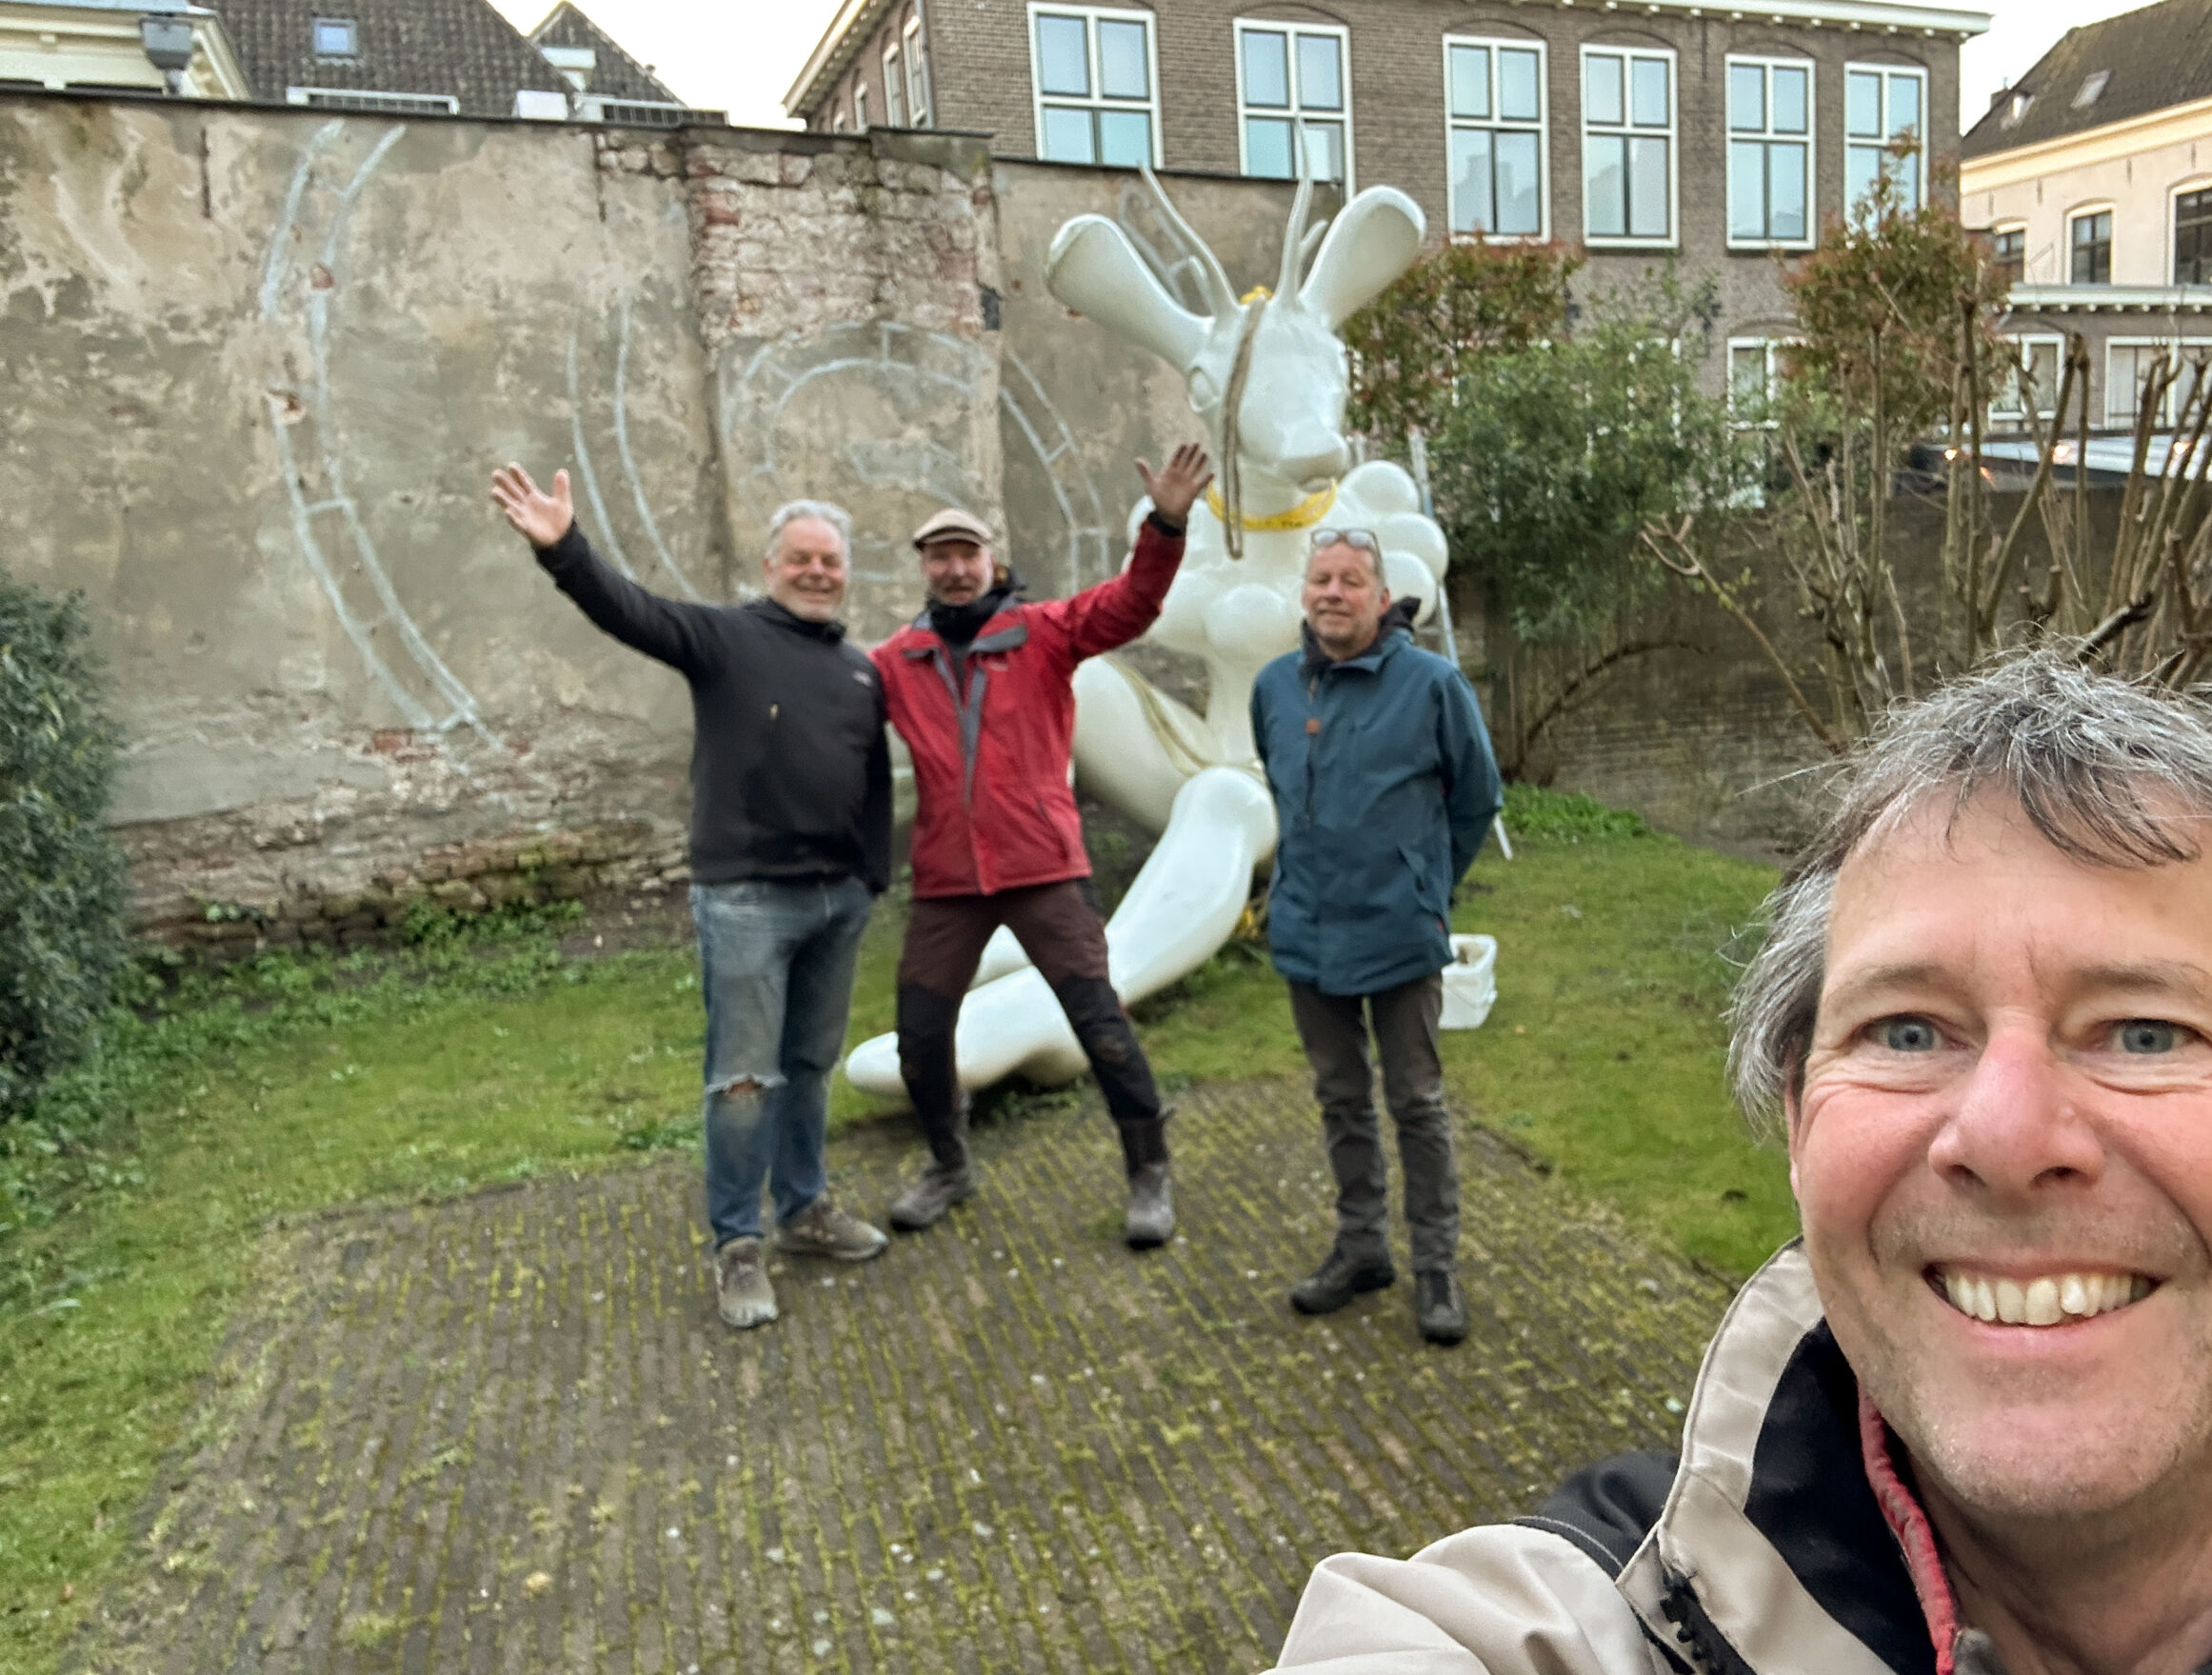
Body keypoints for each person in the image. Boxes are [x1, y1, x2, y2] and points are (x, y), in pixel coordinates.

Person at [1262, 650, 2212, 1675]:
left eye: (2144, 1032)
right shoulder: (1597, 1618)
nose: (2003, 1137)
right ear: (1797, 1128)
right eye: (1907, 1032)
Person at [490, 465, 894, 1331]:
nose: (816, 571)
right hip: (748, 902)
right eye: (800, 558)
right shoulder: (723, 639)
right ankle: (737, 1244)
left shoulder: (860, 673)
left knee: (811, 1068)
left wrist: (870, 879)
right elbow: (631, 611)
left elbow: (871, 785)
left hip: (836, 905)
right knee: (743, 1080)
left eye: (830, 560)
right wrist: (564, 551)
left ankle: (805, 1210)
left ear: (845, 573)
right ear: (770, 565)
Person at [872, 443, 1213, 1246]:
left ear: (991, 562)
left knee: (1099, 1024)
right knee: (920, 1036)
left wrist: (1165, 526)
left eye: (967, 554)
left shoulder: (1044, 632)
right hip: (948, 881)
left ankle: (1148, 1170)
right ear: (925, 569)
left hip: (1043, 870)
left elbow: (1132, 605)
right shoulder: (896, 661)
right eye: (940, 557)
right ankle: (950, 1165)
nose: (955, 569)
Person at [1250, 528, 1503, 1346]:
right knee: (1340, 1099)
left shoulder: (1432, 685)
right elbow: (1279, 788)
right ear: (1303, 593)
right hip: (1306, 933)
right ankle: (1361, 1248)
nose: (1333, 592)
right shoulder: (1274, 688)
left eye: (1351, 580)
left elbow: (1476, 797)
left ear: (1381, 596)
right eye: (1320, 578)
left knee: (1416, 1103)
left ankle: (1436, 1267)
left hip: (1399, 932)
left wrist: (1428, 886)